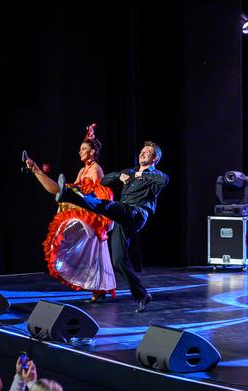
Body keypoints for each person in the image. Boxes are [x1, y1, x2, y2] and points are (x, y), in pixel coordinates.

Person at [56, 141, 169, 312]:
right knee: (118, 260)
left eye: (148, 152)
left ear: (155, 158)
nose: (143, 153)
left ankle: (69, 195)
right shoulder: (129, 172)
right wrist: (119, 176)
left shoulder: (155, 176)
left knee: (109, 206)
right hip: (123, 217)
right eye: (142, 151)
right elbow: (105, 179)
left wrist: (142, 175)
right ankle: (142, 295)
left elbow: (164, 180)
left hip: (137, 213)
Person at [26, 124, 117, 303]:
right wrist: (69, 191)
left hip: (92, 214)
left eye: (84, 149)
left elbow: (97, 194)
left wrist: (72, 193)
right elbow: (76, 187)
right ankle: (36, 170)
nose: (80, 152)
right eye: (80, 149)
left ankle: (99, 288)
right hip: (84, 210)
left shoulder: (95, 169)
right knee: (92, 254)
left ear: (92, 152)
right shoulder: (83, 170)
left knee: (88, 248)